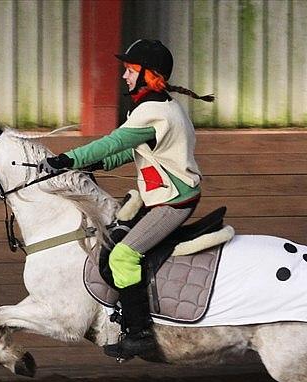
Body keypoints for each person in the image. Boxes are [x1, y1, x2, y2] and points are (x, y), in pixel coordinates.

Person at [37, 39, 214, 360]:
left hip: (173, 200)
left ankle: (140, 334)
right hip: (158, 193)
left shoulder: (154, 113)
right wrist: (97, 164)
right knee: (112, 236)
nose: (124, 77)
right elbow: (128, 151)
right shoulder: (162, 107)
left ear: (150, 75)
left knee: (123, 257)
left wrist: (68, 159)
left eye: (131, 71)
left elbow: (113, 142)